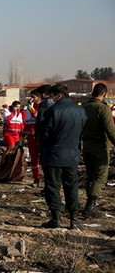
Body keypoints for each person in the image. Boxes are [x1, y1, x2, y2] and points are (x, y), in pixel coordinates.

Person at [38, 84, 86, 229]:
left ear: (59, 95)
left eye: (52, 95)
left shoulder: (52, 111)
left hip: (53, 156)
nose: (51, 98)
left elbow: (44, 134)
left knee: (53, 187)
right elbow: (81, 132)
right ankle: (74, 219)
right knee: (71, 187)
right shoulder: (80, 111)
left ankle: (56, 218)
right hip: (72, 156)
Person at [81, 83, 115, 218]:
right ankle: (90, 206)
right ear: (104, 94)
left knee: (91, 176)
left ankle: (89, 205)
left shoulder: (84, 108)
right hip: (100, 147)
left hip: (86, 146)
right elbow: (110, 130)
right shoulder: (103, 109)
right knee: (101, 176)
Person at [23, 89, 42, 186]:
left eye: (33, 97)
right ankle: (36, 178)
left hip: (40, 136)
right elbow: (27, 123)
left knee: (43, 159)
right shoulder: (29, 108)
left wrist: (31, 108)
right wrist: (23, 136)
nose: (31, 99)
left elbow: (37, 116)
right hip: (31, 136)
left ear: (38, 98)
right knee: (34, 159)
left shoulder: (42, 107)